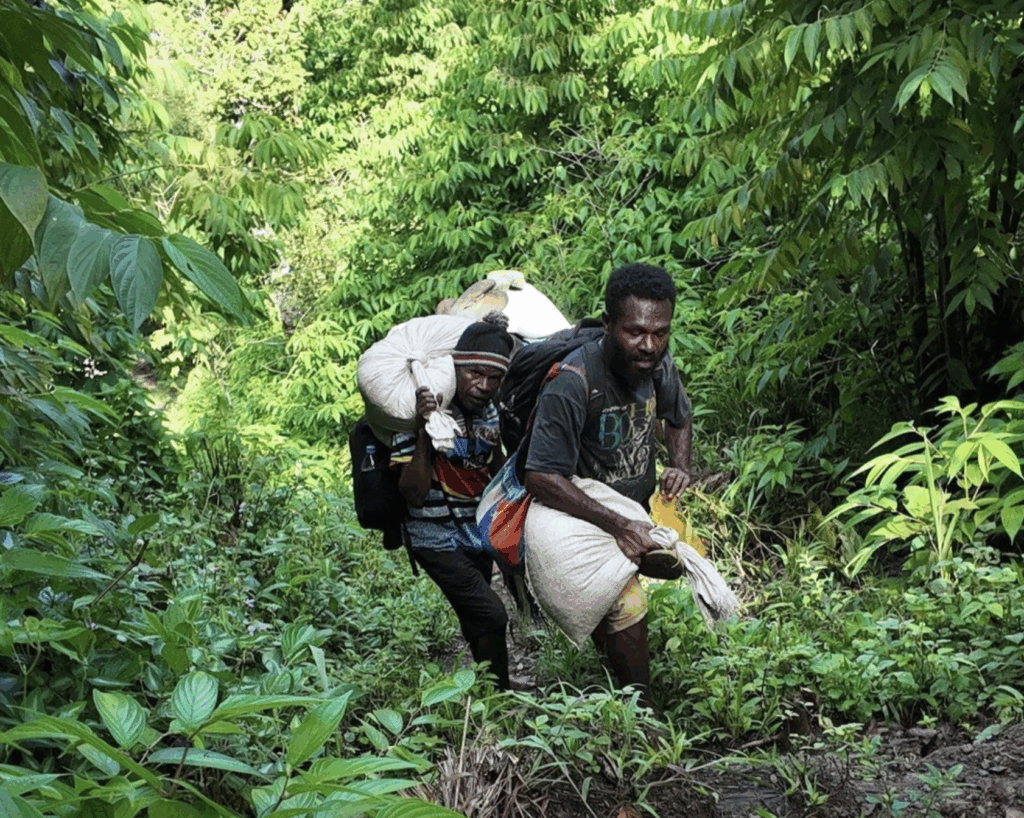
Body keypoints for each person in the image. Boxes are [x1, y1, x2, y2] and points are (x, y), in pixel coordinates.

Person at [523, 262, 693, 711]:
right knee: (626, 606)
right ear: (608, 324)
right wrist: (615, 524)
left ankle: (615, 683)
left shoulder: (659, 363)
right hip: (580, 514)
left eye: (660, 332)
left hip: (630, 511)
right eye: (635, 331)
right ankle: (643, 716)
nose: (649, 344)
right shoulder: (573, 383)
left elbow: (678, 416)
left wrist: (680, 465)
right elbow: (539, 475)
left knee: (620, 601)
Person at [390, 316, 519, 690]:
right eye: (474, 373)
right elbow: (411, 492)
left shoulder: (490, 412)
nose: (483, 386)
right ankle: (501, 691)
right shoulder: (411, 415)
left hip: (474, 530)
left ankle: (491, 692)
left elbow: (495, 473)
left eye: (493, 378)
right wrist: (425, 430)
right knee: (492, 613)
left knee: (477, 614)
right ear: (455, 368)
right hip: (433, 535)